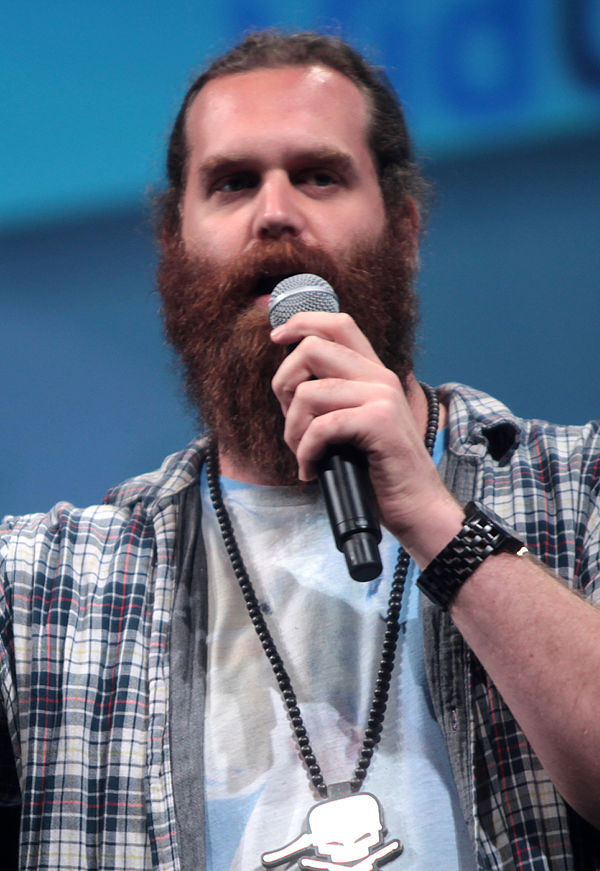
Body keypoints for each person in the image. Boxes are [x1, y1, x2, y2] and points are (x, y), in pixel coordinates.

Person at [1, 29, 600, 871]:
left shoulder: (578, 492)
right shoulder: (47, 592)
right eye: (233, 182)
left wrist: (434, 519)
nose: (275, 210)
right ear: (174, 247)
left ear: (407, 230)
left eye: (318, 175)